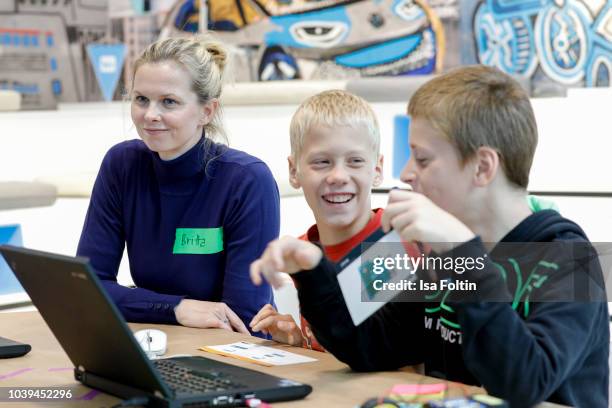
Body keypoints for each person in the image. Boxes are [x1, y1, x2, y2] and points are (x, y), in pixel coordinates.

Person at [250, 66, 609, 407]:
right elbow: (371, 347)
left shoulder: (569, 260)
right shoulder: (441, 259)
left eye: (422, 160)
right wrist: (314, 270)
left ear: (482, 167)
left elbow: (523, 383)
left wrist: (464, 254)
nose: (406, 173)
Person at [77, 35, 280, 335]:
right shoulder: (121, 164)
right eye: (141, 99)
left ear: (206, 111)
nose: (150, 115)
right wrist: (177, 308)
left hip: (228, 356)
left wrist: (145, 304)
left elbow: (242, 320)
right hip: (154, 343)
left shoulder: (247, 180)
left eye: (169, 102)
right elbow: (88, 287)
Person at [248, 89, 384, 350]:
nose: (338, 176)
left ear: (377, 170)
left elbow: (382, 355)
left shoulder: (397, 246)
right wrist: (300, 342)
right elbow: (340, 349)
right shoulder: (302, 251)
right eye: (322, 162)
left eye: (355, 161)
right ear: (293, 170)